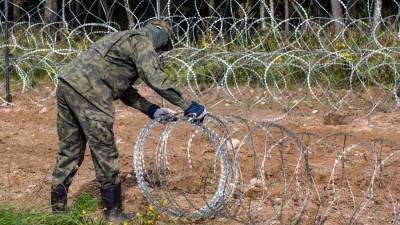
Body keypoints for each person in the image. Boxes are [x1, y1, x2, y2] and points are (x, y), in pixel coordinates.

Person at [50, 19, 206, 221]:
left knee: (70, 150)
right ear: (161, 36)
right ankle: (113, 214)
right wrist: (189, 105)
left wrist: (153, 110)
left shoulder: (124, 39)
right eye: (163, 47)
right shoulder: (142, 41)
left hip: (66, 84)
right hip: (90, 92)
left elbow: (123, 89)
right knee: (105, 151)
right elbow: (155, 78)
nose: (159, 52)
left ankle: (57, 212)